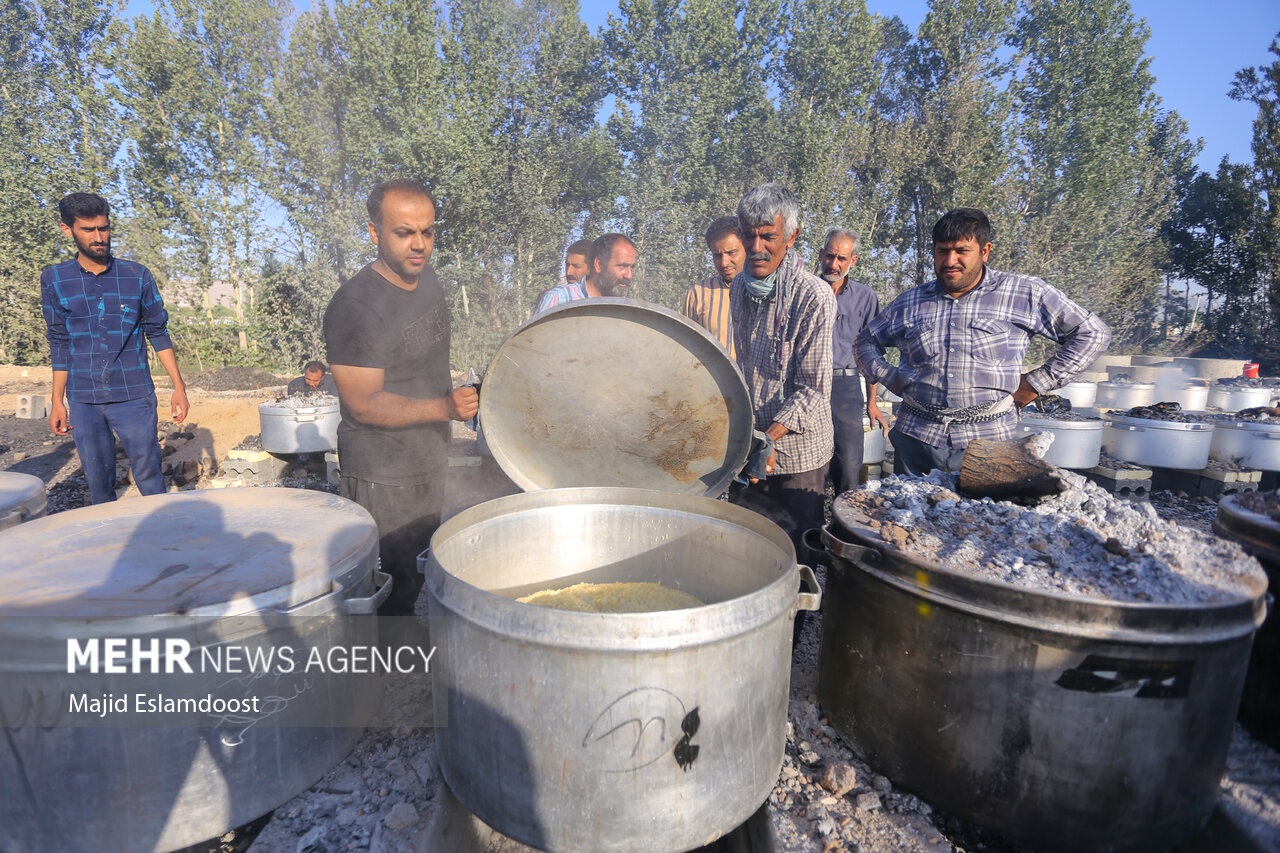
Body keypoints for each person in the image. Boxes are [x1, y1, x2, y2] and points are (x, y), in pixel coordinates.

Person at [855, 208, 1111, 475]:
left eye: (961, 251)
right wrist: (890, 377)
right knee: (907, 515)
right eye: (942, 251)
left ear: (985, 250)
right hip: (916, 442)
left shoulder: (1024, 293)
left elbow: (1093, 333)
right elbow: (864, 343)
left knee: (977, 516)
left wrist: (1037, 383)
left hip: (988, 441)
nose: (950, 260)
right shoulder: (910, 302)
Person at [323, 179, 478, 616]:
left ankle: (404, 657)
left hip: (427, 455)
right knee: (388, 586)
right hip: (382, 472)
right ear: (374, 232)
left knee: (417, 571)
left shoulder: (426, 279)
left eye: (427, 232)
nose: (419, 245)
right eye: (404, 232)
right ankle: (384, 671)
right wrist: (445, 409)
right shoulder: (356, 305)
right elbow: (363, 403)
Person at [41, 192, 189, 505]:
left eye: (104, 229)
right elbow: (59, 339)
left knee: (150, 478)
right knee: (99, 485)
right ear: (67, 230)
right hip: (84, 399)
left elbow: (157, 332)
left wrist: (178, 385)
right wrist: (57, 399)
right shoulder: (55, 279)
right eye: (88, 230)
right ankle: (109, 548)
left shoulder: (136, 275)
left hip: (134, 395)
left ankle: (162, 544)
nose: (99, 237)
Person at [729, 183, 836, 554]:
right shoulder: (740, 288)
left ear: (791, 237)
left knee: (794, 553)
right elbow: (744, 365)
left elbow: (812, 388)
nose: (756, 248)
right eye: (749, 236)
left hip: (798, 453)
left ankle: (798, 614)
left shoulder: (814, 297)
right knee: (747, 548)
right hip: (755, 443)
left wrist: (768, 439)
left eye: (768, 237)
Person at [819, 228, 888, 494]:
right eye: (829, 256)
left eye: (841, 259)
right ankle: (809, 530)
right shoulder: (805, 290)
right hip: (808, 385)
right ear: (821, 254)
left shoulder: (865, 297)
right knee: (810, 468)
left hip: (845, 389)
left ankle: (842, 529)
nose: (833, 264)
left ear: (853, 261)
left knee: (848, 465)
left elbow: (872, 352)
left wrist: (872, 401)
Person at [683, 217, 743, 358]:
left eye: (731, 253)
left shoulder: (767, 292)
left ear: (747, 248)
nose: (724, 262)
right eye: (717, 255)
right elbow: (685, 347)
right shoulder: (698, 293)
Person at [533, 233, 637, 314]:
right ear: (599, 265)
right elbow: (535, 340)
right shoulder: (557, 299)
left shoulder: (626, 310)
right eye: (622, 266)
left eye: (631, 267)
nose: (629, 275)